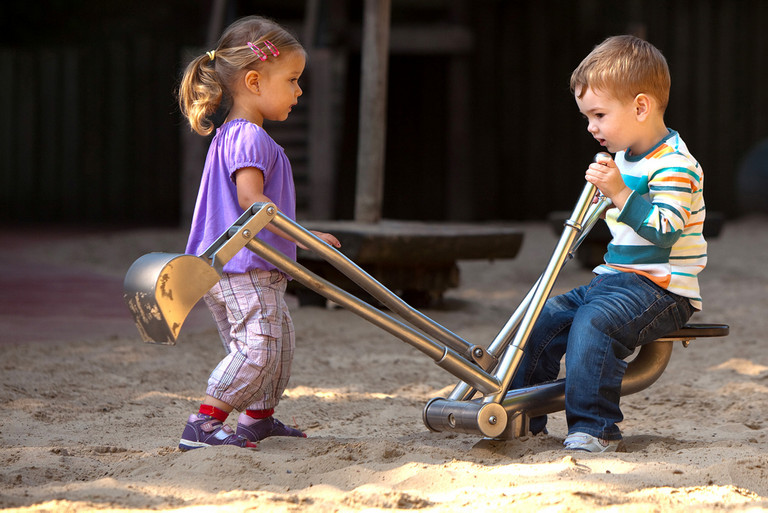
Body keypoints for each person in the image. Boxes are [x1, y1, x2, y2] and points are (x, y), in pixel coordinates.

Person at [509, 35, 706, 452]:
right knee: (543, 319)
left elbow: (666, 228)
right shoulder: (623, 159)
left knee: (595, 322)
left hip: (661, 289)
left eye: (598, 114)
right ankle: (521, 416)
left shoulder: (675, 164)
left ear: (640, 106)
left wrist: (619, 194)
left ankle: (594, 427)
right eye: (586, 116)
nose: (591, 127)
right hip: (615, 279)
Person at [176, 15, 341, 450]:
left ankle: (257, 419)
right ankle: (204, 424)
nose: (299, 91)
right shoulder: (248, 136)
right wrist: (304, 237)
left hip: (251, 268)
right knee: (258, 351)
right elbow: (252, 200)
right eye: (292, 80)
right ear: (253, 81)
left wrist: (300, 235)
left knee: (278, 348)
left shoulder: (239, 135)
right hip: (240, 268)